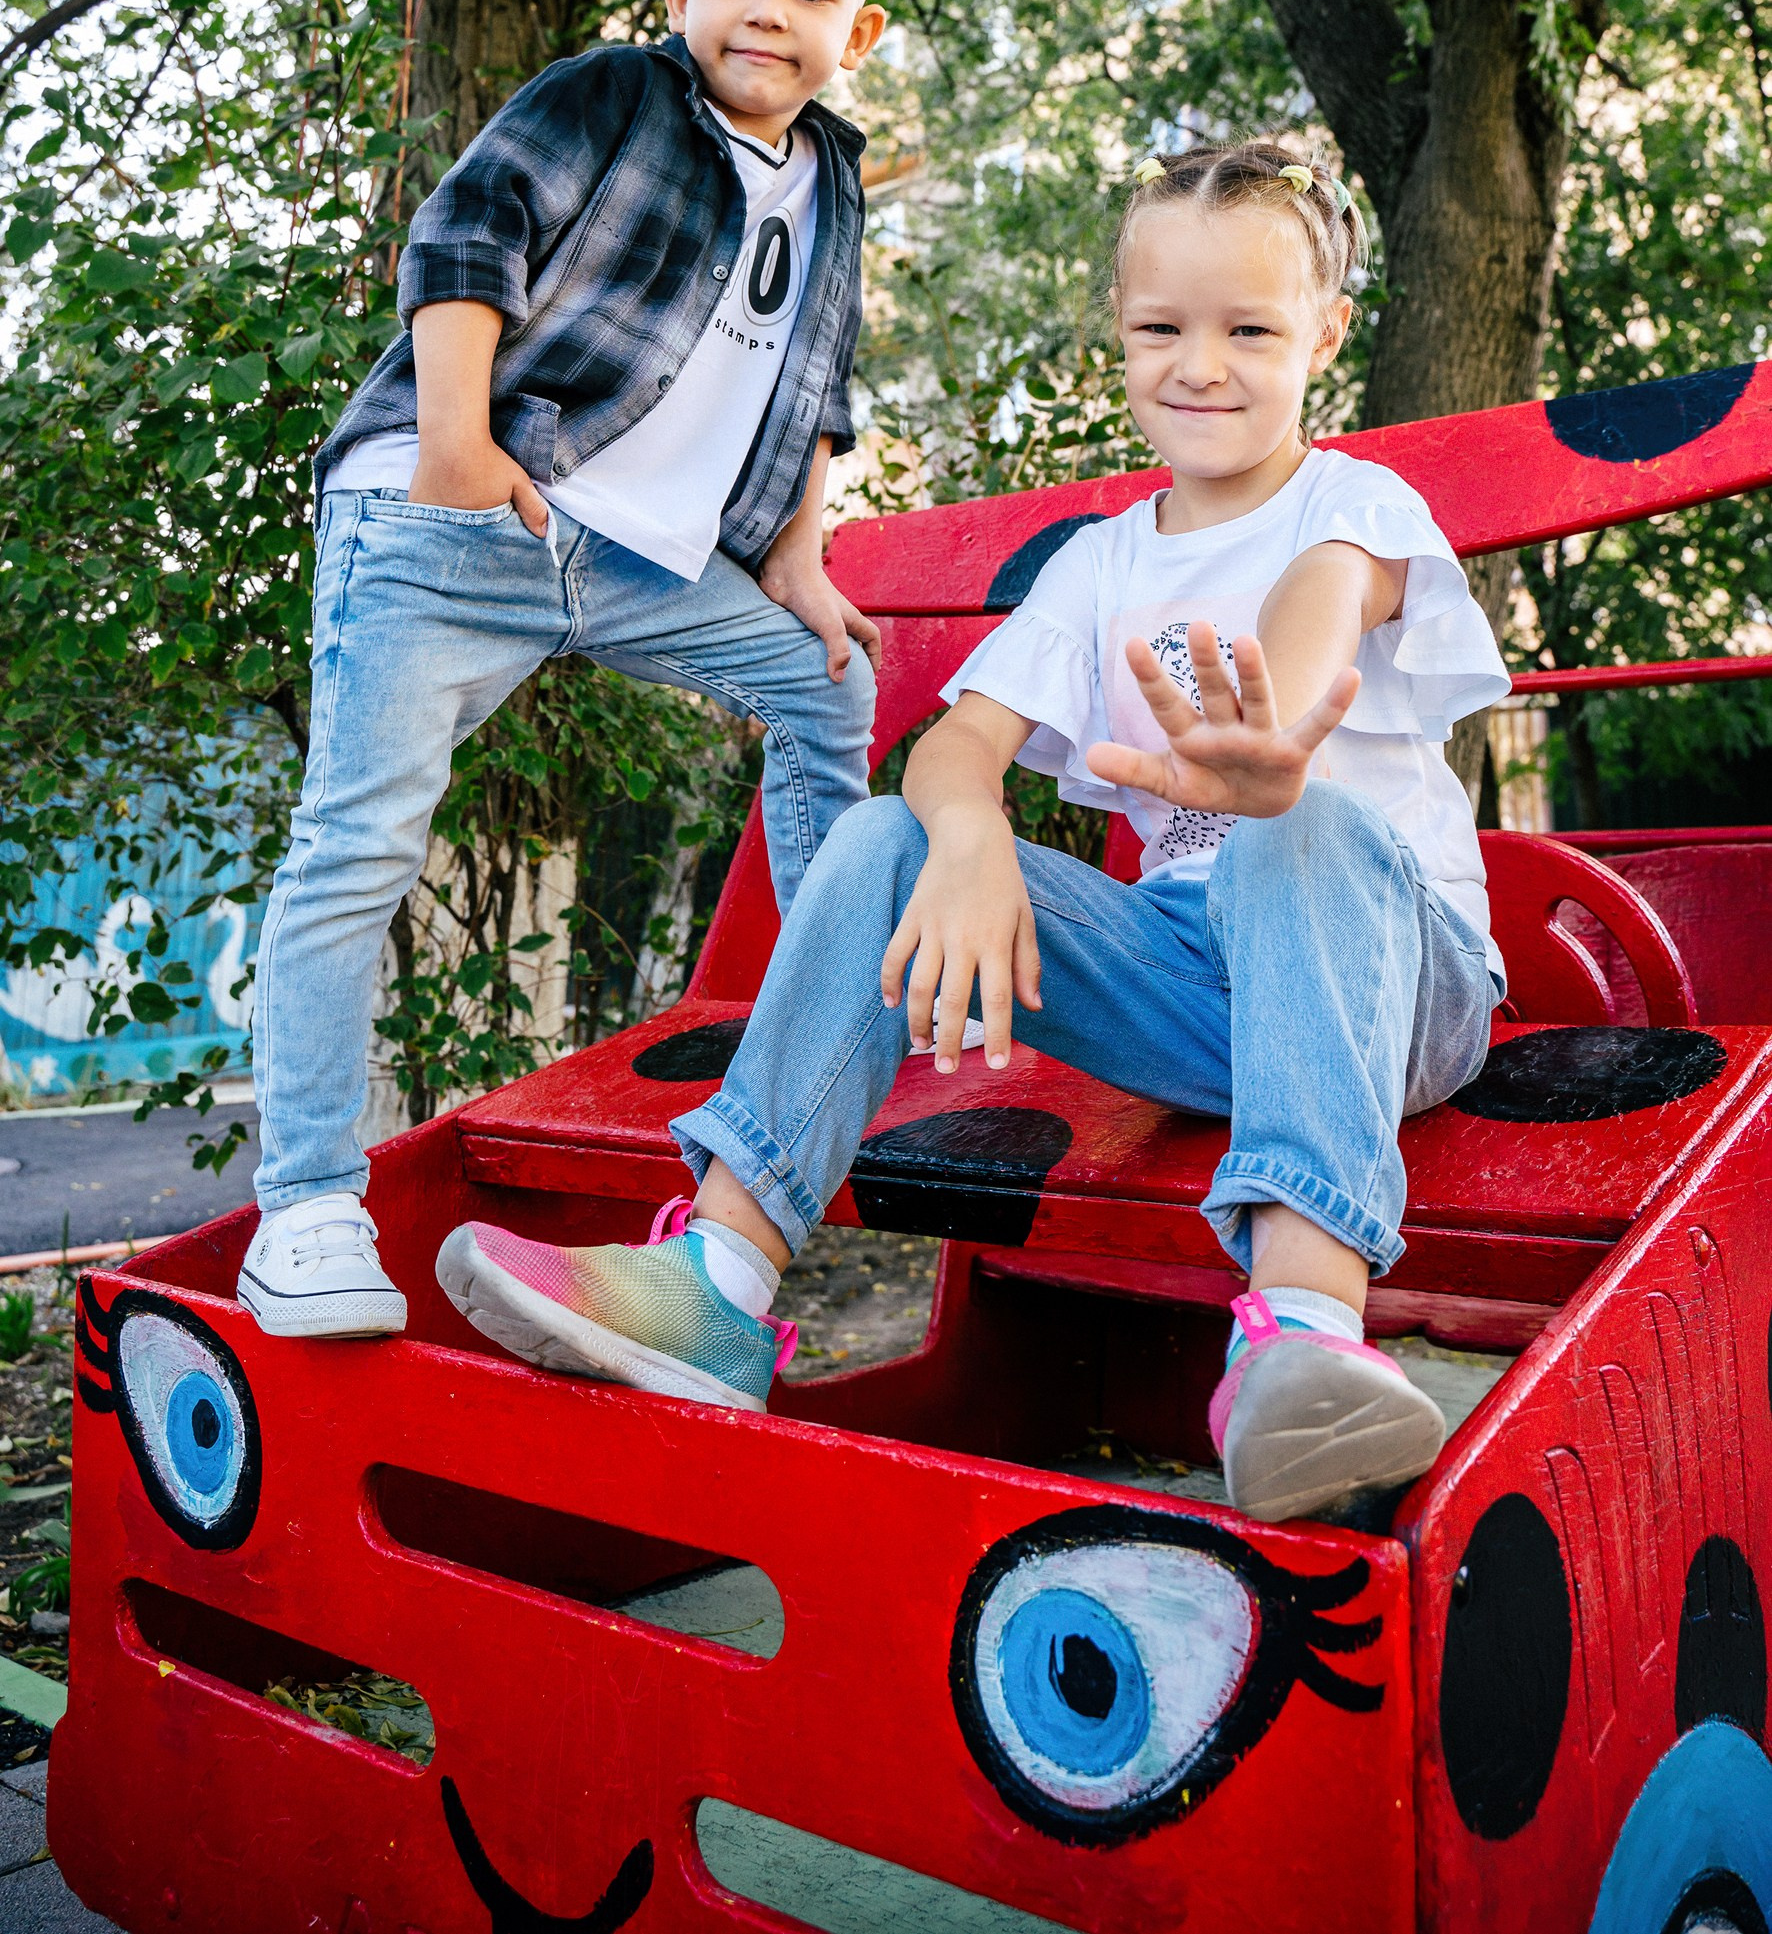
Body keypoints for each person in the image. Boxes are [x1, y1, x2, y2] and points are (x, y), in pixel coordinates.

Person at [436, 139, 1513, 1523]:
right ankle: (720, 1279)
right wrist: (969, 838)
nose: (1203, 363)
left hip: (1397, 972)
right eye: (1162, 328)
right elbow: (957, 742)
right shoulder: (1103, 559)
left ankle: (1303, 1330)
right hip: (1199, 989)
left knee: (1297, 823)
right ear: (1118, 333)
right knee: (887, 836)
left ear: (1324, 333)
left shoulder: (1352, 504)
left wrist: (1275, 736)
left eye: (1249, 328)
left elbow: (1323, 597)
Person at [238, 0, 890, 1341]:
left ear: (856, 33)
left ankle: (809, 1031)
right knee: (360, 839)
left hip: (631, 563)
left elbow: (819, 378)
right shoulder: (611, 98)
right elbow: (469, 236)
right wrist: (456, 442)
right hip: (455, 510)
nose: (763, 14)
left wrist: (795, 551)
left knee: (825, 678)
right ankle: (309, 1208)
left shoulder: (834, 183)